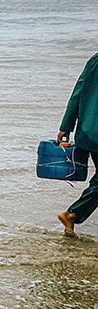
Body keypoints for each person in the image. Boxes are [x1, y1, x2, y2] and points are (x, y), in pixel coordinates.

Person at [56, 51, 98, 237]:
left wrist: (66, 126)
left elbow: (78, 92)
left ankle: (72, 215)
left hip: (88, 131)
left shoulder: (95, 60)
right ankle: (72, 214)